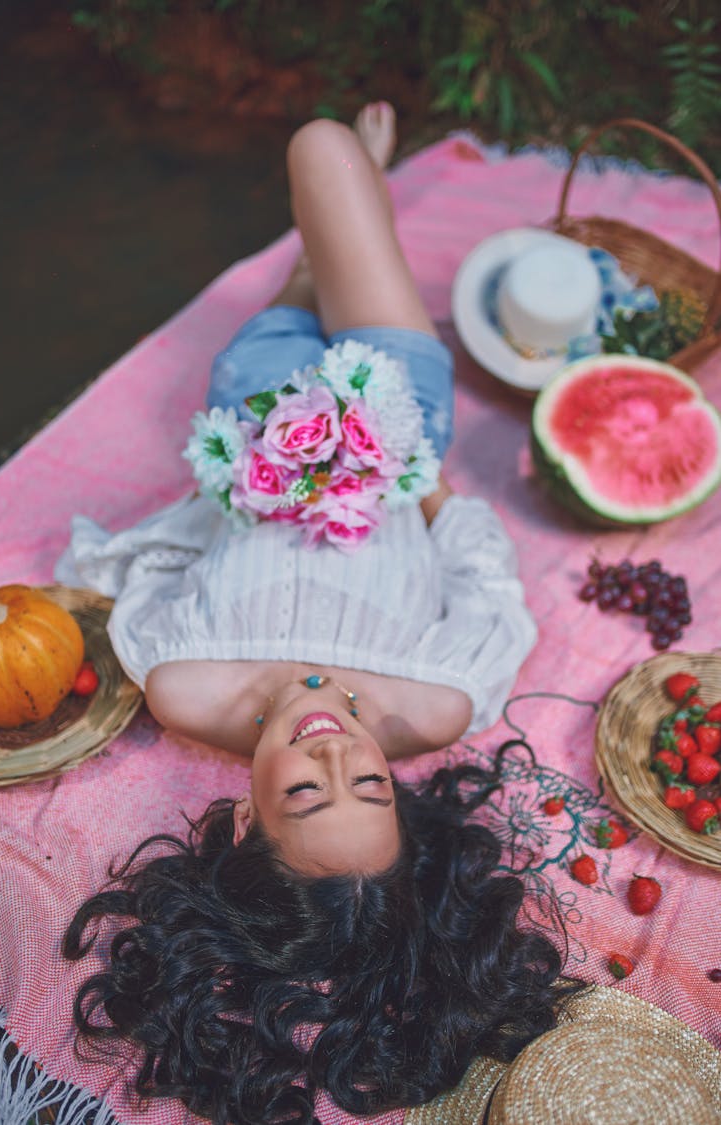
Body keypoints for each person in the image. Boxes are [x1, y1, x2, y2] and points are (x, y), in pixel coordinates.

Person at [61, 104, 579, 1125]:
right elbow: (485, 577)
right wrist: (420, 480)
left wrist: (248, 468)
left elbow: (183, 543)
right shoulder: (434, 705)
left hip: (250, 402)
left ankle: (312, 258)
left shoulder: (180, 682)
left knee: (293, 299)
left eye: (308, 789)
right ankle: (353, 190)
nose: (335, 746)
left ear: (248, 816)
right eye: (371, 786)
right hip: (392, 398)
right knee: (322, 149)